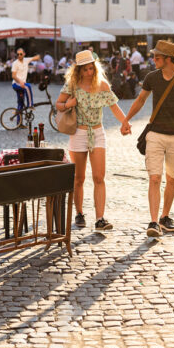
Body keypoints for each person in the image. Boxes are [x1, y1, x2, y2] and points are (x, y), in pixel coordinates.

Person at [122, 40, 174, 238]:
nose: (153, 59)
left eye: (157, 57)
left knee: (171, 178)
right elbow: (140, 100)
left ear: (168, 59)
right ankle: (154, 221)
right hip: (155, 134)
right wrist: (126, 120)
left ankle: (165, 217)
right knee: (155, 177)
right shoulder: (151, 77)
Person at [56, 50, 130, 232]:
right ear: (78, 70)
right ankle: (79, 213)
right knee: (79, 178)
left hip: (97, 133)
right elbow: (58, 105)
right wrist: (68, 105)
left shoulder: (102, 85)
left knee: (99, 177)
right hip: (78, 134)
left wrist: (125, 122)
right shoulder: (72, 85)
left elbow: (114, 107)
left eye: (91, 68)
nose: (89, 72)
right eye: (85, 69)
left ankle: (100, 219)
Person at [11, 49, 39, 114]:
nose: (19, 55)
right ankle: (30, 105)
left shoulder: (26, 60)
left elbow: (35, 58)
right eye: (17, 54)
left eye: (20, 54)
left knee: (20, 104)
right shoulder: (15, 63)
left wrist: (40, 55)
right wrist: (20, 82)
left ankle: (19, 123)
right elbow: (13, 76)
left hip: (22, 84)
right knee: (28, 86)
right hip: (16, 84)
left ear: (24, 54)